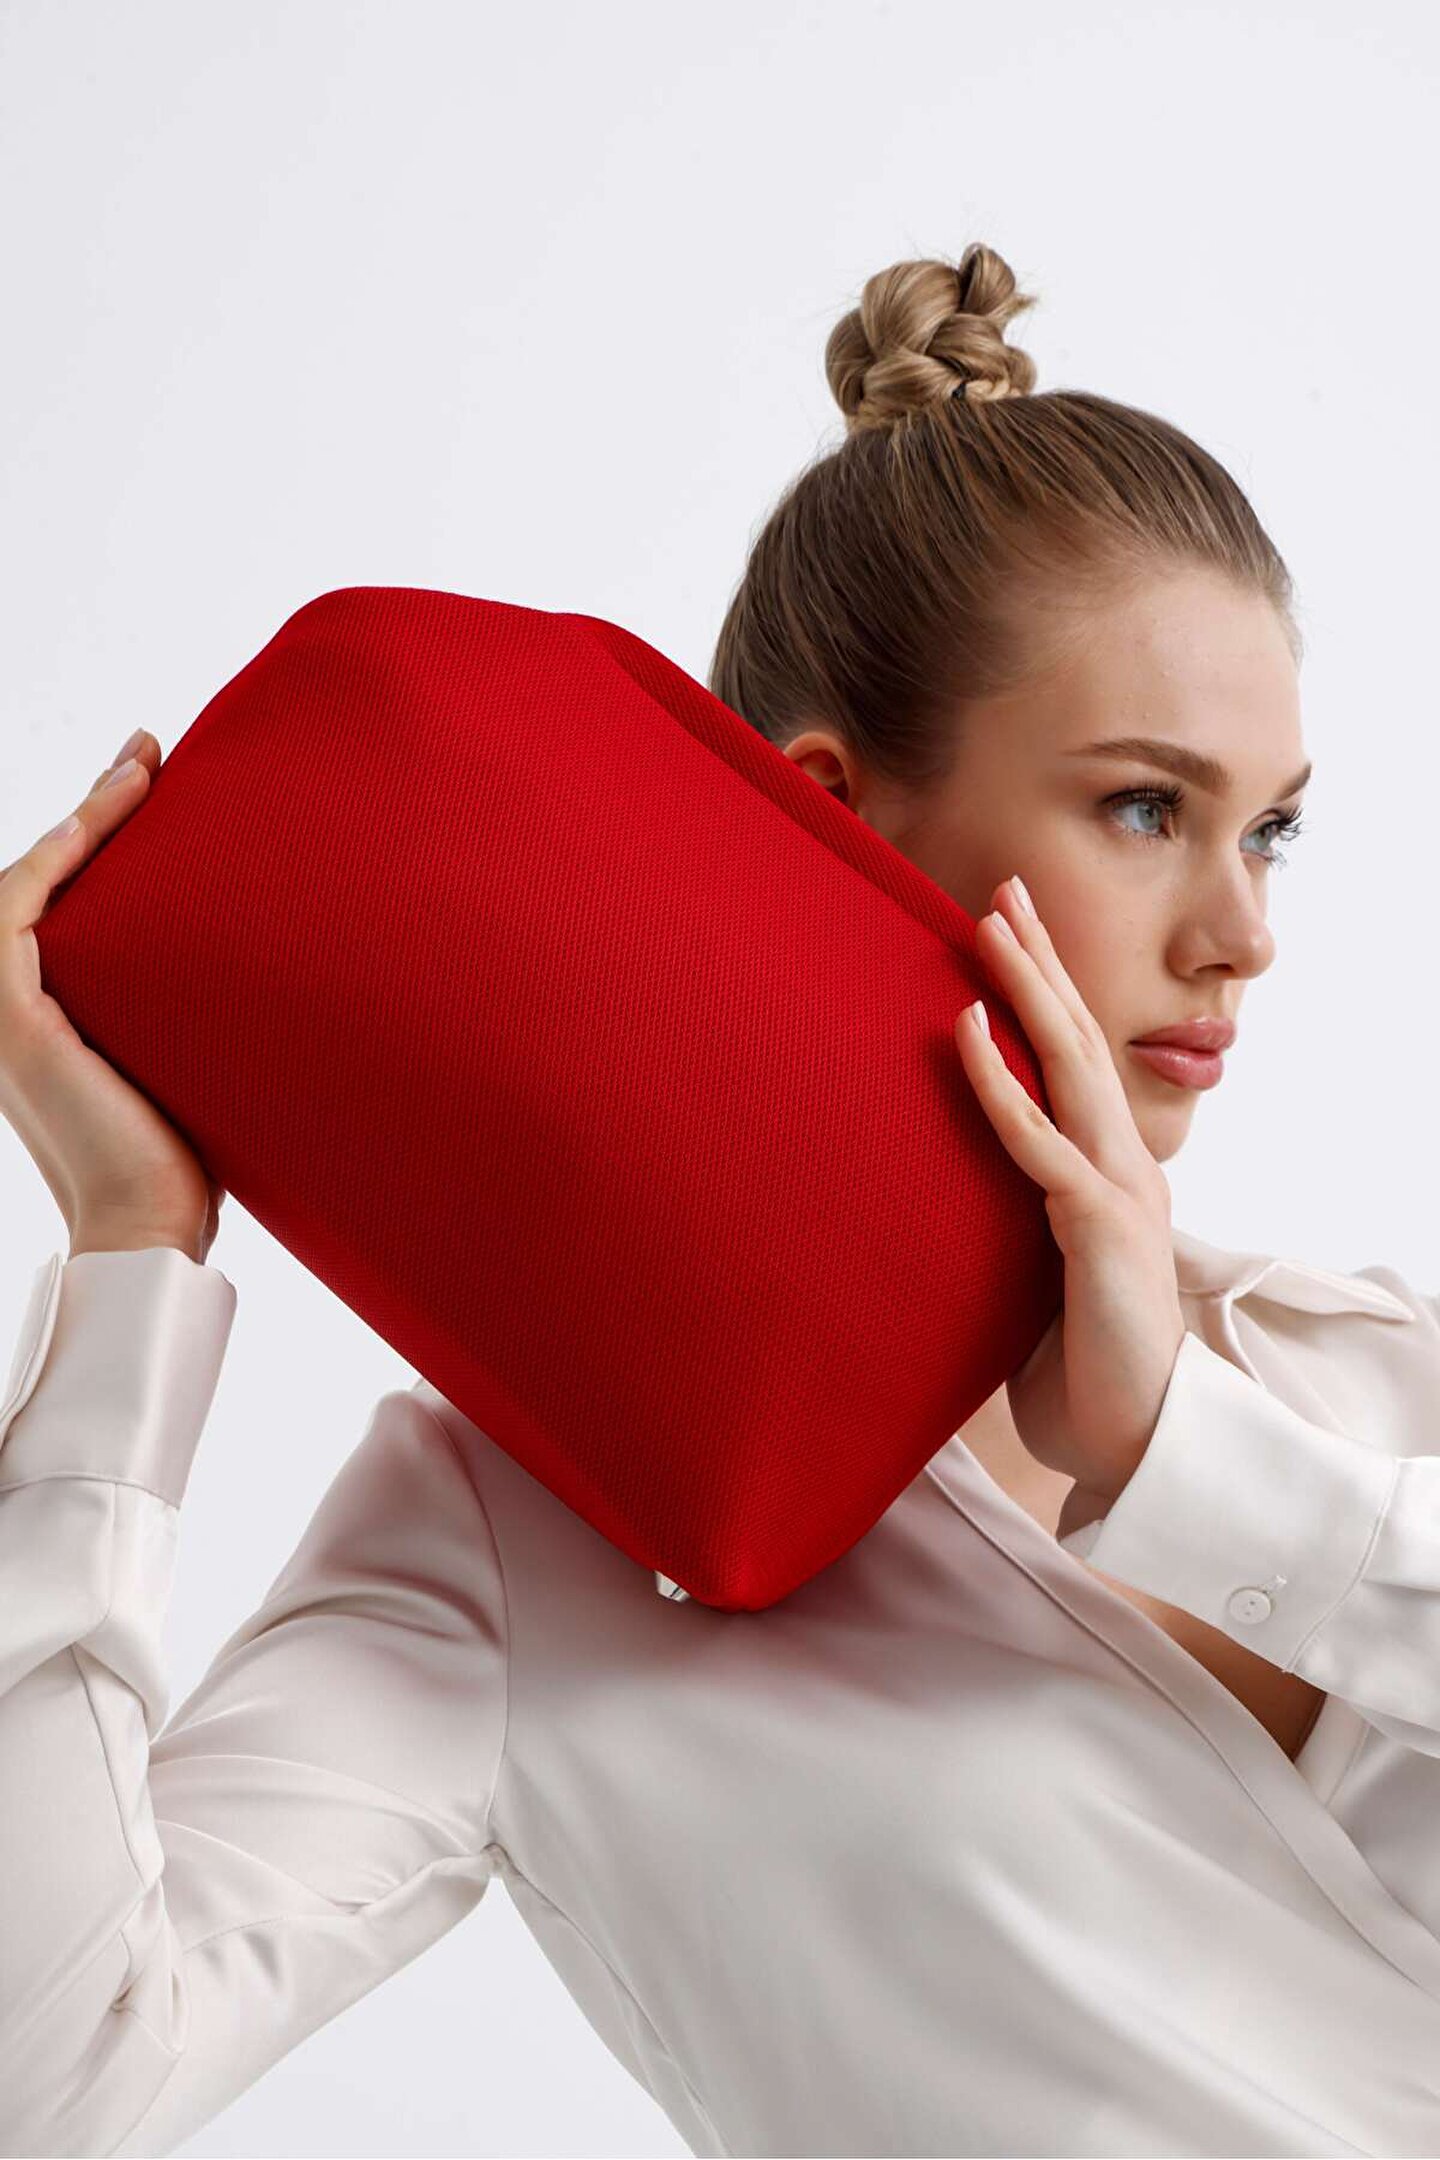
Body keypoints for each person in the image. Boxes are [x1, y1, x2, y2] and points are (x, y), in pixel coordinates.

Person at [3, 244, 1440, 2159]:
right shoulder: (523, 1547)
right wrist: (125, 1270)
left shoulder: (1371, 1371)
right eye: (1143, 809)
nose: (1243, 933)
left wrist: (1187, 1456)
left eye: (1271, 828)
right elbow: (58, 2077)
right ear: (828, 817)